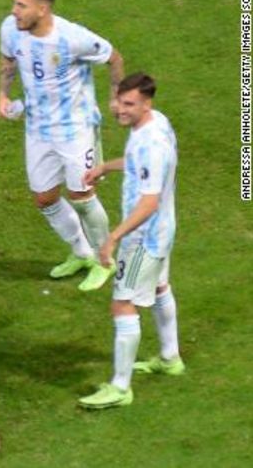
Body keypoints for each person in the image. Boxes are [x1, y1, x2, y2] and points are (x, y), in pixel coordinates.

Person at [0, 0, 125, 290]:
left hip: (75, 128)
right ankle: (81, 252)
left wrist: (115, 97)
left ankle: (104, 261)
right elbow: (8, 59)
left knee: (81, 195)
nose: (14, 11)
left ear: (42, 9)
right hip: (38, 129)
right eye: (15, 3)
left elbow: (114, 57)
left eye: (21, 6)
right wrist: (3, 94)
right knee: (45, 198)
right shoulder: (11, 29)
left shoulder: (72, 38)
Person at [78, 73, 183, 410]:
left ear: (146, 103)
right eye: (118, 101)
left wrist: (113, 237)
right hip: (163, 230)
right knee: (159, 287)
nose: (119, 110)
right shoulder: (155, 124)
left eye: (128, 104)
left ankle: (120, 387)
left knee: (122, 303)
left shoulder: (152, 145)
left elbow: (148, 203)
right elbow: (140, 166)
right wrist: (107, 166)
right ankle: (170, 357)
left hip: (143, 238)